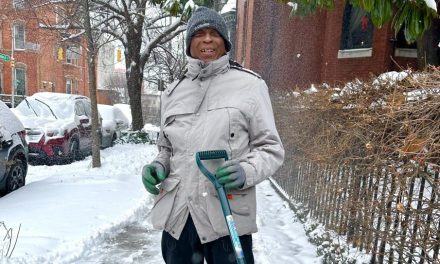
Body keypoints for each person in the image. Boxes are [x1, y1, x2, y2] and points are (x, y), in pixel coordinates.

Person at [141, 6, 284, 264]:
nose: (207, 39)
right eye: (199, 33)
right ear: (189, 43)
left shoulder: (250, 86)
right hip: (179, 217)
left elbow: (270, 148)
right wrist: (157, 165)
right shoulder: (173, 92)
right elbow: (166, 148)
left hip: (225, 213)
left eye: (214, 33)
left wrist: (246, 171)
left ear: (225, 42)